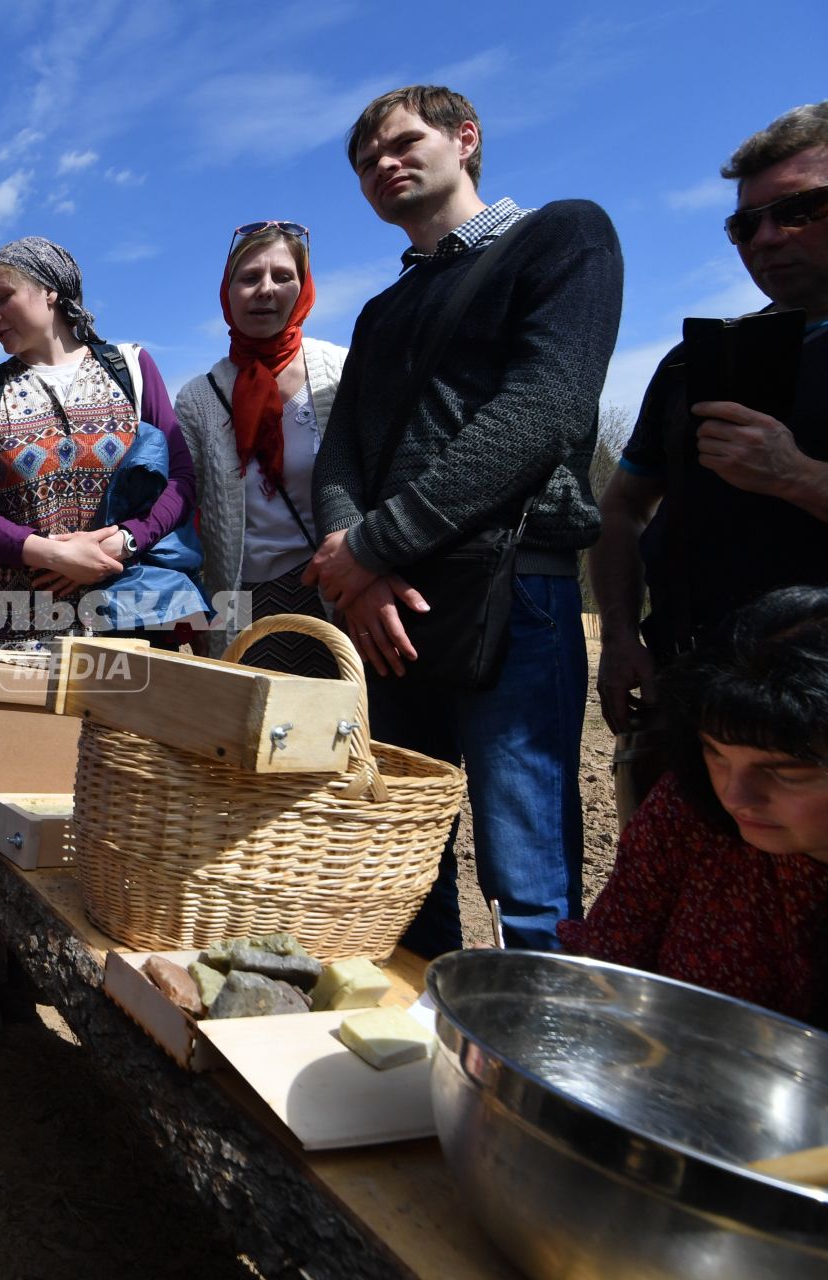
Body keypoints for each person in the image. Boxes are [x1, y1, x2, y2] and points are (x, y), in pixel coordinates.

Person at [309, 85, 623, 955]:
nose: (383, 165)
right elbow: (343, 455)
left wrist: (373, 545)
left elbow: (545, 410)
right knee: (403, 861)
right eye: (367, 161)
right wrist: (354, 569)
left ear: (466, 138)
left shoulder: (562, 235)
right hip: (389, 608)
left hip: (514, 587)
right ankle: (421, 1064)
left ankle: (533, 1085)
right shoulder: (381, 311)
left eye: (402, 144)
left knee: (528, 879)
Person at [589, 102, 828, 822]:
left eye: (798, 210)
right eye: (744, 223)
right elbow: (623, 506)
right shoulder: (698, 360)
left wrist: (799, 477)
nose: (764, 238)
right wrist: (623, 634)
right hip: (690, 708)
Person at [559, 586, 828, 1029]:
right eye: (716, 754)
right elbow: (605, 961)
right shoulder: (686, 812)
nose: (736, 797)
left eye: (786, 773)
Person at [0, 236, 195, 649]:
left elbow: (181, 479)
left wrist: (124, 541)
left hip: (131, 618)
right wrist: (51, 555)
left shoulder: (130, 367)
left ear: (50, 292)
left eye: (3, 297)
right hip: (15, 632)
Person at [175, 221, 349, 671]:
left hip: (335, 589)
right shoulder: (199, 397)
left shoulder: (341, 369)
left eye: (282, 277)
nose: (265, 290)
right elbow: (182, 506)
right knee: (245, 732)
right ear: (227, 292)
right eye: (249, 278)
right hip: (239, 598)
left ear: (304, 286)